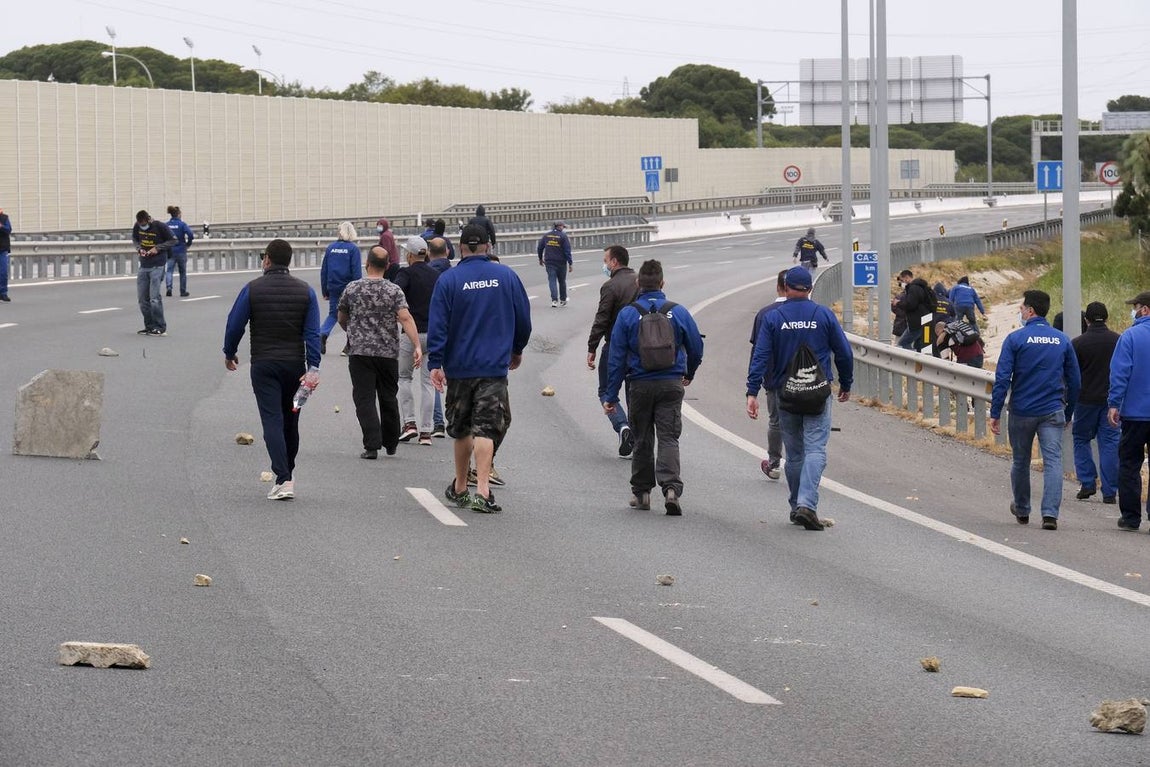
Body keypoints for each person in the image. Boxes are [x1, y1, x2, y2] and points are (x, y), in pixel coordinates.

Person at [427, 222, 531, 513]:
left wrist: (436, 362)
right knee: (487, 426)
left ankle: (460, 486)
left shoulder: (449, 280)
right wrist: (517, 349)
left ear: (460, 247)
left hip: (459, 367)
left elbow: (438, 325)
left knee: (460, 430)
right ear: (488, 246)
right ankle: (482, 491)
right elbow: (523, 318)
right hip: (493, 367)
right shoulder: (506, 277)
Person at [746, 266, 853, 531]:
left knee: (794, 455)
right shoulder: (823, 314)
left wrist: (752, 391)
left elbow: (760, 356)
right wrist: (846, 383)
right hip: (817, 392)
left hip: (786, 393)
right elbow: (844, 353)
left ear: (785, 287)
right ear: (810, 289)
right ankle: (807, 504)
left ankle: (796, 505)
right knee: (816, 448)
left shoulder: (774, 317)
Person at [603, 259, 705, 516]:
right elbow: (696, 347)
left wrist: (611, 394)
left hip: (639, 384)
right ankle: (671, 489)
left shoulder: (628, 314)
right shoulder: (678, 311)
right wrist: (688, 372)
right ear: (662, 283)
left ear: (639, 284)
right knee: (669, 437)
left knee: (642, 438)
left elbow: (616, 358)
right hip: (671, 383)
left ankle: (642, 493)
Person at [222, 239, 322, 501]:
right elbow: (312, 333)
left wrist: (229, 352)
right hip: (294, 367)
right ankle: (288, 473)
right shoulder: (306, 291)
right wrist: (313, 367)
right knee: (291, 421)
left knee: (272, 420)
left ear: (267, 259)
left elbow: (235, 324)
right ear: (289, 261)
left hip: (264, 365)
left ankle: (283, 478)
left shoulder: (252, 289)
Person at [990, 290, 1080, 531]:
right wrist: (1068, 412)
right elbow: (1075, 381)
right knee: (1053, 462)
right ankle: (1050, 514)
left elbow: (1002, 378)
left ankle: (1022, 508)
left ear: (1030, 311)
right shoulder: (1062, 340)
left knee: (1020, 461)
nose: (1020, 312)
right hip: (1052, 411)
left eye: (1021, 308)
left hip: (1022, 411)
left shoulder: (1015, 339)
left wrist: (995, 411)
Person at [338, 247, 421, 460]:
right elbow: (405, 318)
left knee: (364, 398)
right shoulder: (394, 291)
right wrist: (417, 345)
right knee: (388, 397)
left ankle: (372, 445)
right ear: (387, 266)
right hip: (388, 354)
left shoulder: (352, 288)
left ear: (367, 263)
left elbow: (341, 316)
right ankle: (391, 443)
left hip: (360, 353)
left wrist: (353, 332)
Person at [586, 245, 639, 457]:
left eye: (606, 261)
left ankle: (622, 426)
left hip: (615, 347)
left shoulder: (610, 286)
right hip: (639, 349)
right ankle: (636, 434)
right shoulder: (639, 282)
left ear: (614, 262)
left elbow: (602, 318)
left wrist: (592, 347)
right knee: (633, 394)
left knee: (607, 391)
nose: (605, 265)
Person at [1108, 291, 1150, 531]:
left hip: (1135, 413)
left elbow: (1120, 373)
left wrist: (1114, 404)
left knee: (1130, 464)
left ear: (1144, 309)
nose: (1133, 311)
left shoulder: (1130, 336)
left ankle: (1131, 517)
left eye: (1135, 307)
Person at [394, 236, 441, 445]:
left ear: (410, 255)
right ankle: (426, 432)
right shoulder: (436, 275)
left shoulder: (405, 273)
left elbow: (395, 294)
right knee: (428, 382)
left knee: (404, 378)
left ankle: (409, 423)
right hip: (433, 335)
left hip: (410, 334)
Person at [1072, 301, 1120, 505]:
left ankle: (1087, 482)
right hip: (1112, 401)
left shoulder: (1078, 343)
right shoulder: (1118, 340)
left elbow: (1072, 375)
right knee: (1109, 443)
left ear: (1086, 320)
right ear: (1107, 318)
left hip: (1085, 400)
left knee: (1081, 438)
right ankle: (1110, 491)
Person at [749, 270, 790, 479]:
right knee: (802, 421)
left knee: (776, 421)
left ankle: (774, 463)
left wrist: (752, 390)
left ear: (778, 286)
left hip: (774, 379)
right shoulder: (811, 311)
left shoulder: (765, 314)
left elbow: (757, 353)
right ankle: (799, 461)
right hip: (807, 380)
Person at [319, 222, 362, 356]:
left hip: (333, 286)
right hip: (348, 288)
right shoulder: (353, 249)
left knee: (333, 314)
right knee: (351, 316)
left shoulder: (331, 248)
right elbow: (356, 272)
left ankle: (323, 334)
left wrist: (325, 290)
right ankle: (350, 344)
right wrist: (358, 290)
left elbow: (324, 270)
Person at [131, 209, 175, 336]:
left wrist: (157, 248)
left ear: (149, 219)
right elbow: (135, 238)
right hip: (144, 265)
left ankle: (160, 327)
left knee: (154, 298)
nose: (142, 227)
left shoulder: (160, 226)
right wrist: (139, 249)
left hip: (158, 264)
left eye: (144, 224)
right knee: (142, 299)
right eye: (140, 224)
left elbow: (173, 240)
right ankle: (149, 326)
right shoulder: (137, 226)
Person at [426, 238, 452, 440]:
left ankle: (438, 422)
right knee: (456, 377)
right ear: (448, 251)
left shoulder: (425, 274)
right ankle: (456, 418)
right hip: (454, 332)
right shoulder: (455, 275)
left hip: (431, 331)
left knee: (433, 376)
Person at [895, 271, 935, 351]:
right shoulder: (922, 287)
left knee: (902, 344)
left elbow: (911, 304)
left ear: (907, 278)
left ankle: (910, 361)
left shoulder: (913, 288)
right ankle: (918, 362)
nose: (902, 283)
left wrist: (898, 303)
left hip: (917, 322)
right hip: (925, 320)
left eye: (902, 281)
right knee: (919, 346)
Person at [538, 221, 573, 308]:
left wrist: (540, 258)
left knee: (552, 281)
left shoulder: (546, 235)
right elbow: (567, 251)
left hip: (549, 262)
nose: (563, 228)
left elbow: (540, 247)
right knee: (562, 281)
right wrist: (570, 263)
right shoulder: (563, 236)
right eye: (563, 227)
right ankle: (563, 300)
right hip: (561, 262)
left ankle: (554, 300)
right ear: (559, 227)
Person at [164, 205, 195, 298]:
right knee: (182, 272)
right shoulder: (182, 224)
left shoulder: (167, 225)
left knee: (169, 270)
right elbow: (190, 234)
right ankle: (183, 291)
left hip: (170, 251)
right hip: (181, 250)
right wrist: (188, 244)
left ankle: (169, 288)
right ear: (178, 214)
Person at [0, 206, 11, 302]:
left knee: (3, 272)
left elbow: (9, 230)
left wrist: (1, 226)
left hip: (3, 249)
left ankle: (3, 293)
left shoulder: (5, 218)